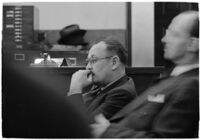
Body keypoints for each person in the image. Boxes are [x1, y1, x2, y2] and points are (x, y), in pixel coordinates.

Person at [91, 10, 199, 138]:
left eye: (174, 34)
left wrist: (107, 131)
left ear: (193, 44)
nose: (164, 39)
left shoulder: (191, 85)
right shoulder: (173, 77)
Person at [67, 36, 137, 120]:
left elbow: (83, 127)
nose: (88, 67)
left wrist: (75, 90)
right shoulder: (102, 86)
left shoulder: (122, 94)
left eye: (93, 60)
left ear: (114, 62)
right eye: (87, 62)